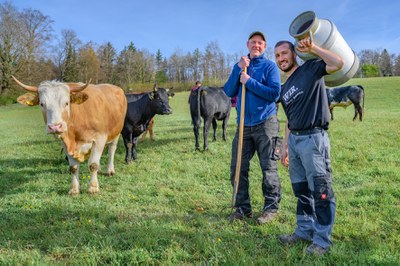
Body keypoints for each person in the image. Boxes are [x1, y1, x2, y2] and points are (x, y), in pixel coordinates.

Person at [274, 38, 344, 255]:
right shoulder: (284, 89)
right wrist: (285, 146)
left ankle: (322, 240)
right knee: (301, 190)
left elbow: (338, 63)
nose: (281, 59)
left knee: (320, 190)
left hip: (313, 139)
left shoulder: (311, 69)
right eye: (277, 56)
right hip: (294, 141)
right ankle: (304, 230)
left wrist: (313, 48)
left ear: (294, 54)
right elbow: (289, 119)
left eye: (284, 53)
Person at [224, 31, 281, 224]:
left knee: (269, 167)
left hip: (266, 123)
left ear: (265, 47)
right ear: (248, 44)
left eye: (260, 43)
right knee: (238, 167)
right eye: (253, 42)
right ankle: (242, 208)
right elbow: (229, 90)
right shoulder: (240, 66)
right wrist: (238, 70)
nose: (256, 45)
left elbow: (274, 93)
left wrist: (250, 82)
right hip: (243, 125)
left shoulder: (270, 66)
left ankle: (270, 208)